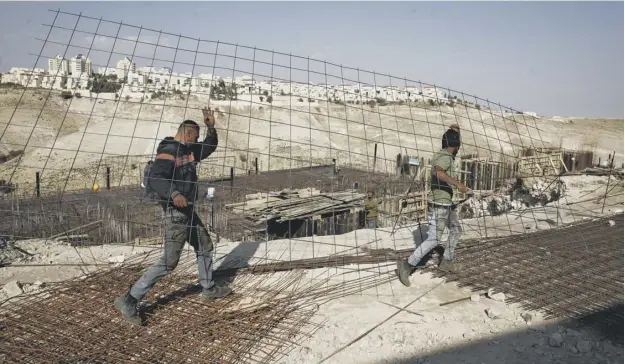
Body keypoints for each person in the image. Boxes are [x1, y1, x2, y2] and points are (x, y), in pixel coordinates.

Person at [114, 107, 232, 325]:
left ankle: (208, 288)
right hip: (175, 213)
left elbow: (209, 147)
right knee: (169, 262)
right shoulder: (168, 151)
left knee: (204, 246)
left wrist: (211, 127)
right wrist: (175, 193)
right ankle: (129, 299)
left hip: (187, 211)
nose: (196, 141)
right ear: (187, 134)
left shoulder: (188, 151)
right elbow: (157, 179)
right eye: (195, 136)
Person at [396, 126, 469, 287]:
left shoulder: (445, 155)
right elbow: (438, 173)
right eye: (458, 145)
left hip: (447, 204)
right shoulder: (444, 156)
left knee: (456, 230)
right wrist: (457, 184)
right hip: (439, 205)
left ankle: (446, 261)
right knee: (434, 239)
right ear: (455, 146)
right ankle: (407, 265)